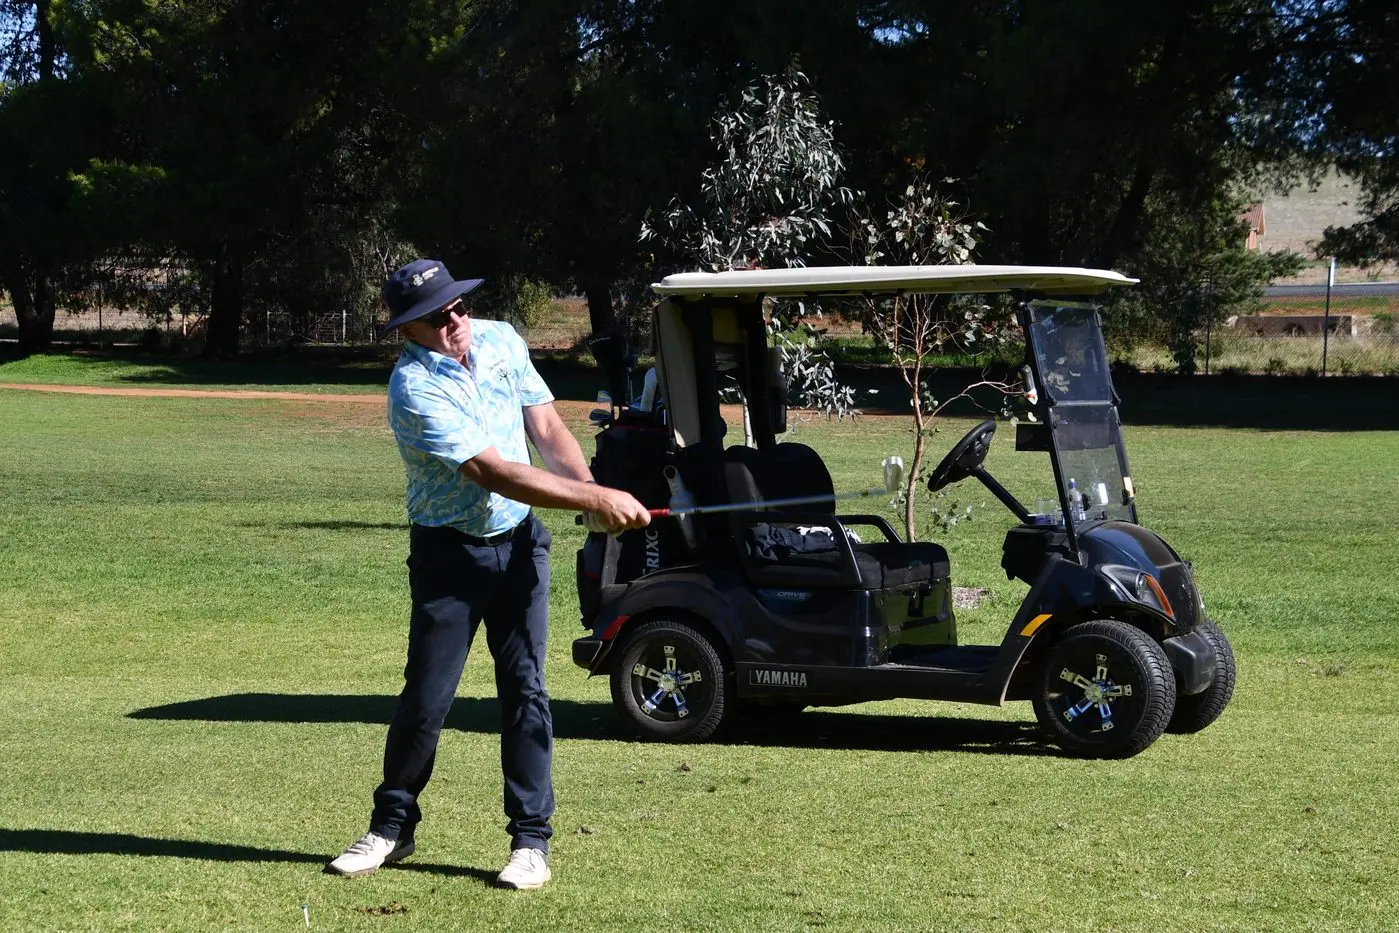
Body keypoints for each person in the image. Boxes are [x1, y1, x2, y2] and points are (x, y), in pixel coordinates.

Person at [327, 259, 651, 890]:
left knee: (526, 688)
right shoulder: (414, 389)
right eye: (436, 317)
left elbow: (546, 425)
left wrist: (589, 490)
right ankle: (391, 827)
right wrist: (594, 500)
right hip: (451, 555)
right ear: (408, 330)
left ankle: (531, 842)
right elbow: (495, 471)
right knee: (427, 696)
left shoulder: (500, 337)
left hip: (522, 543)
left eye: (458, 308)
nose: (455, 323)